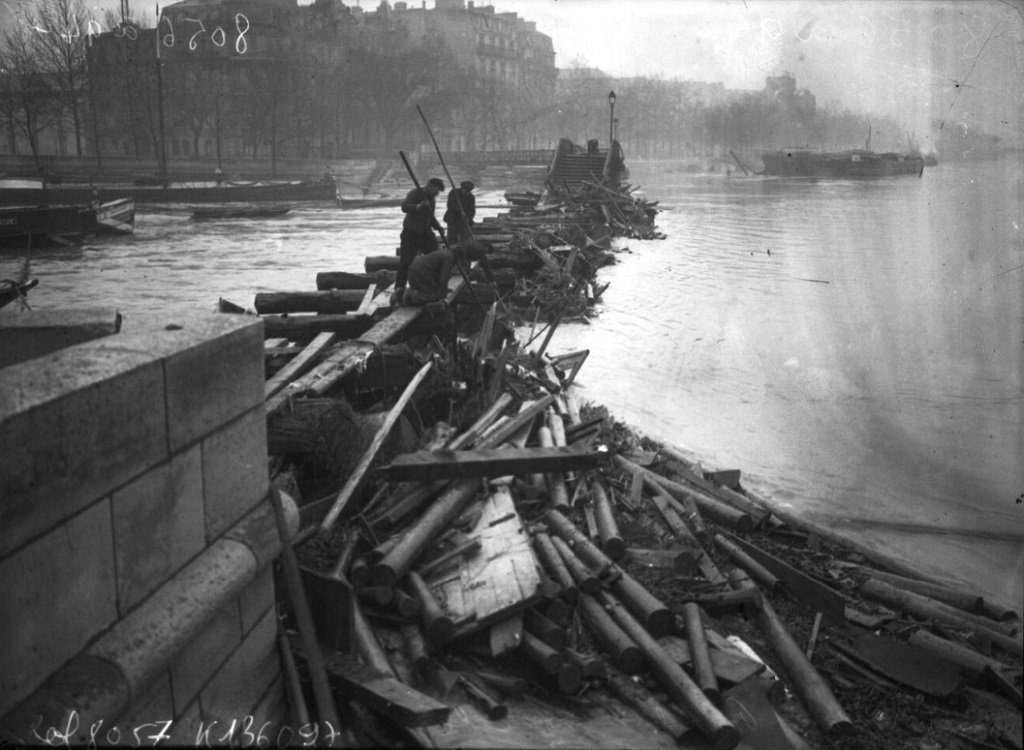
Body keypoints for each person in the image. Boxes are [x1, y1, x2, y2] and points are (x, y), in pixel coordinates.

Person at [392, 176, 445, 305]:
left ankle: (435, 288)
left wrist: (438, 227)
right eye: (436, 190)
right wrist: (418, 206)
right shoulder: (415, 193)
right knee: (405, 263)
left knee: (436, 259)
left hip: (426, 233)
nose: (437, 193)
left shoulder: (431, 199)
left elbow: (430, 216)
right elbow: (404, 207)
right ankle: (398, 291)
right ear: (430, 185)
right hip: (411, 233)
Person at [402, 239, 494, 306]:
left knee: (437, 291)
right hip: (418, 274)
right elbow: (444, 276)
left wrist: (443, 288)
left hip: (416, 272)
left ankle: (409, 293)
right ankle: (409, 296)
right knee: (437, 296)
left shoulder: (449, 254)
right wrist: (442, 291)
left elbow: (439, 274)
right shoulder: (449, 258)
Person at [443, 180, 476, 244]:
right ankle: (452, 249)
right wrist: (460, 211)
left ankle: (464, 250)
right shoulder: (454, 192)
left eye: (468, 191)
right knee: (452, 237)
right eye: (465, 190)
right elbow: (450, 205)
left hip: (463, 220)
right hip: (452, 218)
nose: (466, 192)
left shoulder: (471, 197)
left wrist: (468, 218)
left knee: (465, 237)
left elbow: (472, 210)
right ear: (462, 188)